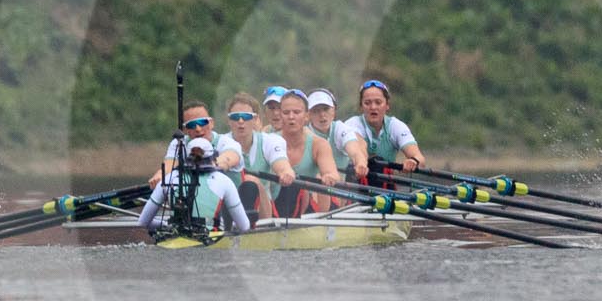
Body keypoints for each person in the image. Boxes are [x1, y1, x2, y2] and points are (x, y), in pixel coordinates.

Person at [248, 89, 341, 218]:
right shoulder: (268, 141)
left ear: (306, 116)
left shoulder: (319, 144)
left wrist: (329, 177)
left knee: (317, 179)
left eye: (296, 112)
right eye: (286, 112)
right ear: (280, 115)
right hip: (274, 206)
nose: (291, 117)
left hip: (308, 211)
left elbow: (332, 173)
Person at [136, 138, 252, 237]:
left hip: (174, 235)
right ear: (213, 158)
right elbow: (244, 226)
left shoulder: (169, 178)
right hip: (210, 238)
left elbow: (143, 223)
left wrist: (166, 224)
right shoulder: (225, 181)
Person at [339, 78, 426, 178]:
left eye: (378, 102)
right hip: (354, 184)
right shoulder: (352, 124)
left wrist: (413, 161)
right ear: (361, 107)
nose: (373, 107)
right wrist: (361, 163)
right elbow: (360, 146)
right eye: (367, 103)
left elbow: (420, 159)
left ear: (387, 105)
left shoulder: (396, 126)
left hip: (384, 185)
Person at [147, 100, 241, 187]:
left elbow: (229, 159)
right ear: (185, 130)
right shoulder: (179, 142)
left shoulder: (226, 142)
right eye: (191, 125)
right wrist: (159, 176)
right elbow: (170, 164)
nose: (198, 129)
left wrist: (206, 165)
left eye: (202, 122)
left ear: (211, 123)